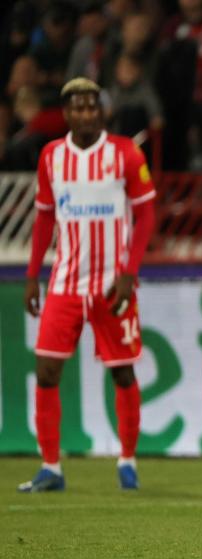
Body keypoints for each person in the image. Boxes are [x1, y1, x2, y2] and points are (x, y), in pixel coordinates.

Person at [19, 77, 156, 492]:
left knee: (122, 372)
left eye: (91, 106)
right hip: (64, 281)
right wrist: (32, 276)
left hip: (112, 284)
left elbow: (146, 214)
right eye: (77, 107)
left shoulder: (125, 154)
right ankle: (51, 468)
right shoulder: (51, 157)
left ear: (102, 110)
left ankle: (128, 461)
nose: (85, 113)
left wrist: (130, 271)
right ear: (67, 113)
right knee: (46, 371)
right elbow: (44, 217)